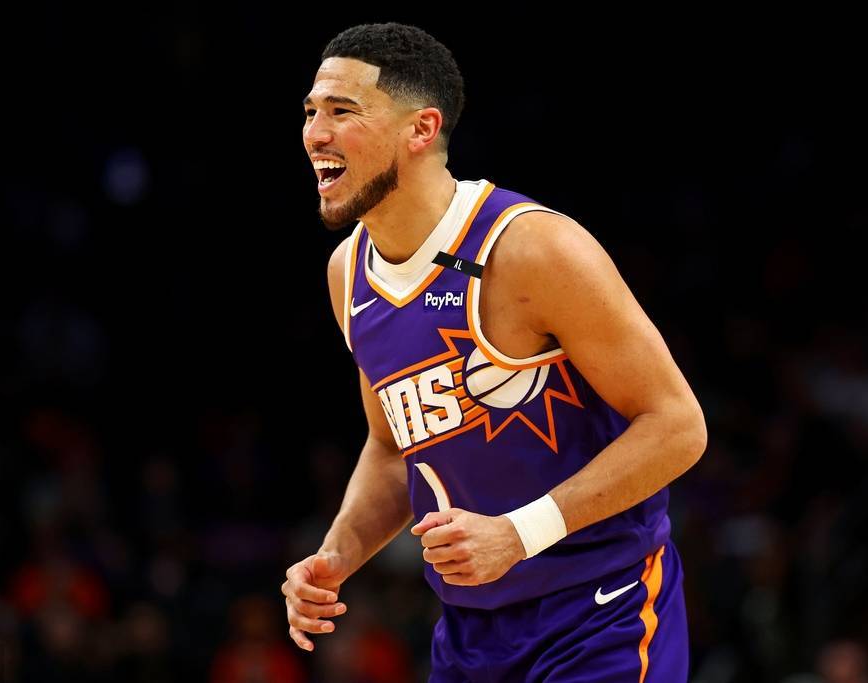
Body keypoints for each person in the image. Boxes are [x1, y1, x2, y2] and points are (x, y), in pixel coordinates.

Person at [282, 22, 707, 682]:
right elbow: (394, 447)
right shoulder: (349, 272)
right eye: (311, 112)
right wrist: (338, 553)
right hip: (470, 630)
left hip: (601, 610)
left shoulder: (532, 248)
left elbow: (678, 426)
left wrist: (518, 534)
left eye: (342, 111)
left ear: (421, 129)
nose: (315, 133)